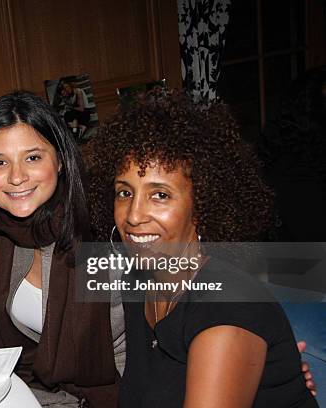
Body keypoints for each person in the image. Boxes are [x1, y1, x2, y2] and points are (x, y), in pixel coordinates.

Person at [87, 89, 318, 407]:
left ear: (202, 205)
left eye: (160, 195)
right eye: (124, 193)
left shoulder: (226, 311)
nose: (134, 215)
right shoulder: (138, 279)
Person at [0, 91, 121, 407]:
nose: (16, 177)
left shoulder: (109, 230)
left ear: (61, 159)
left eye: (33, 157)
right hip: (43, 397)